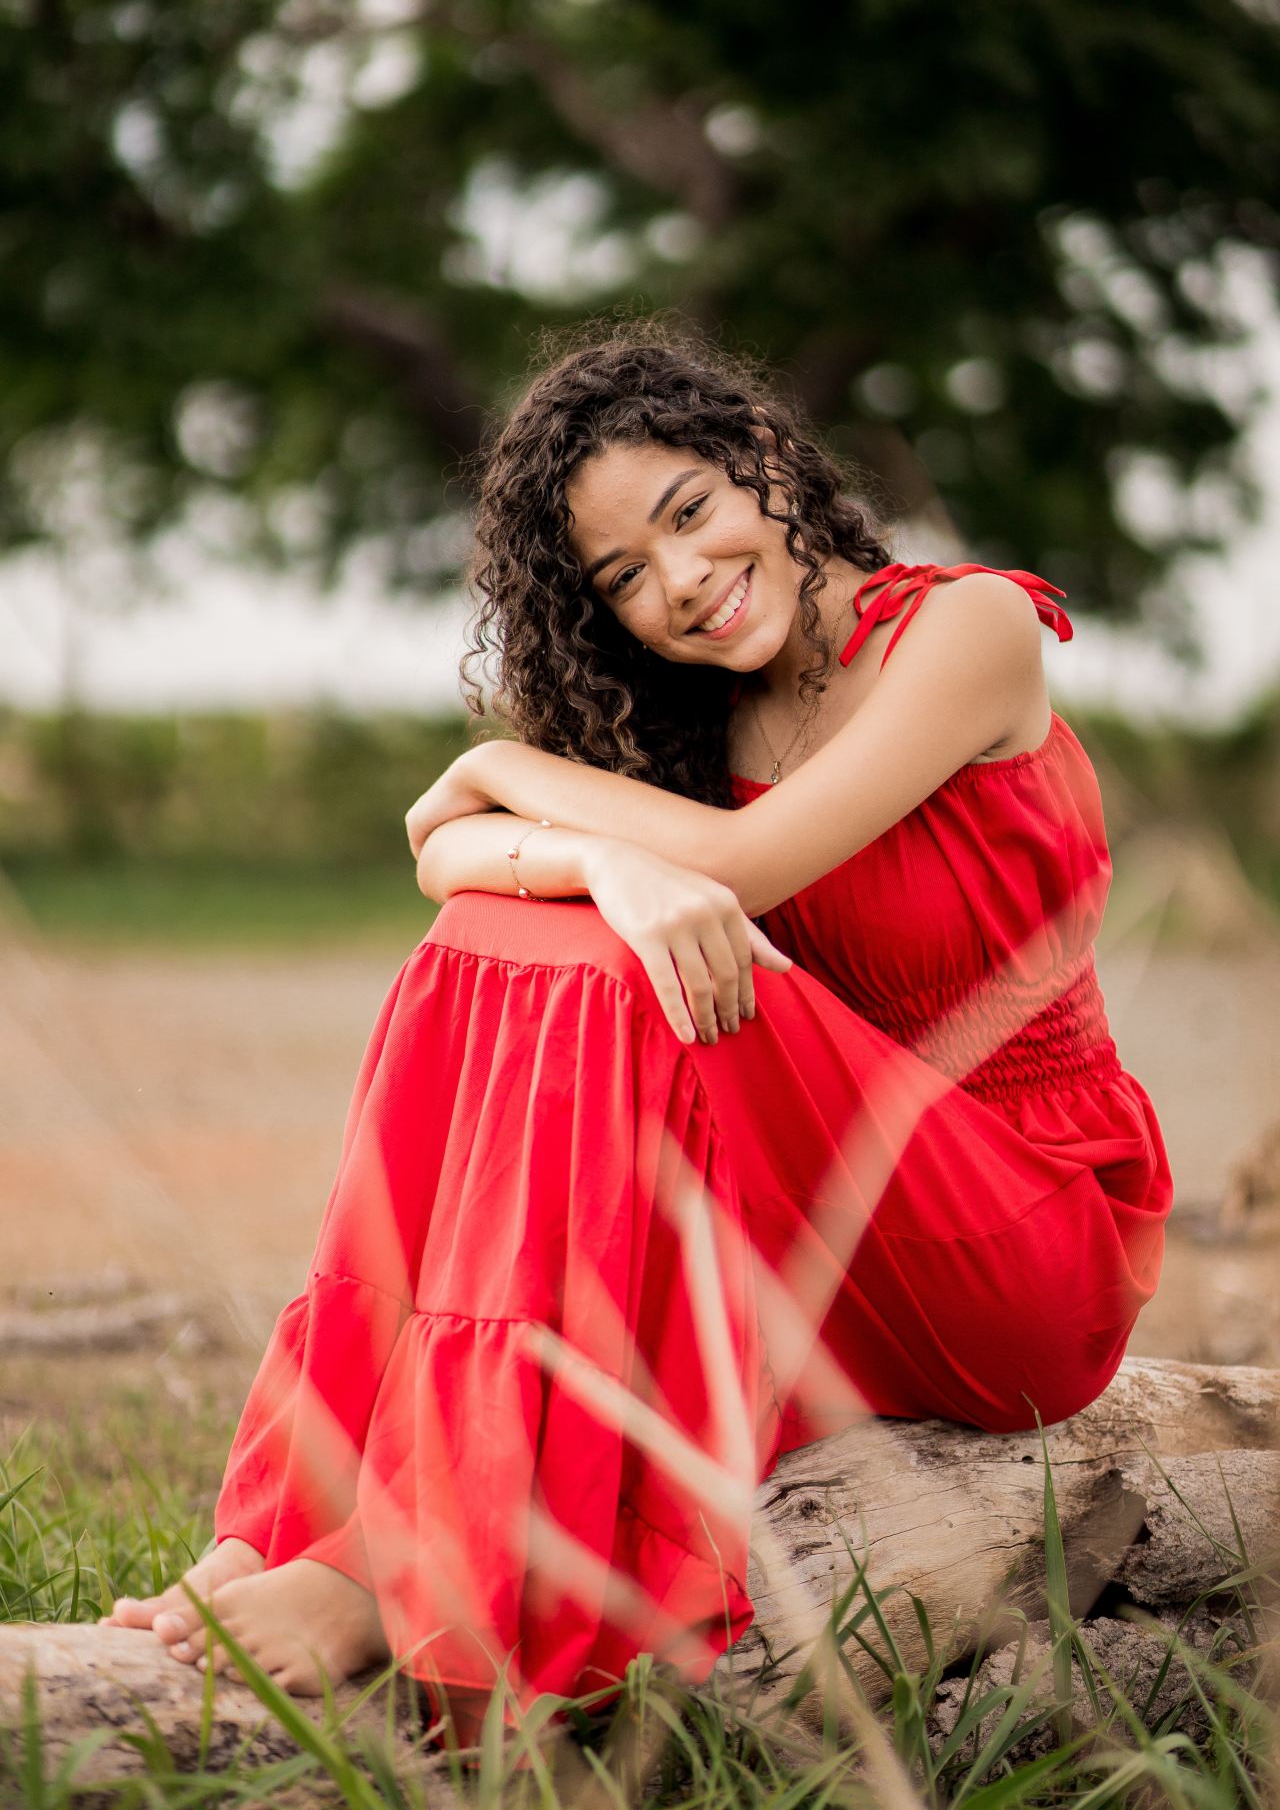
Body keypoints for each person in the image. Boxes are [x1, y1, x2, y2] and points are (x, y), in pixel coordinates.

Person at [103, 323, 1172, 1731]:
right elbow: (447, 866)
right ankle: (288, 1515)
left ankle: (386, 1565)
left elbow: (737, 867)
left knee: (608, 960)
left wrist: (499, 770)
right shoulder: (690, 733)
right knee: (512, 935)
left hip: (1023, 1237)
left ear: (769, 462)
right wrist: (601, 863)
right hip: (836, 1226)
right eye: (626, 576)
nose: (683, 583)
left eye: (692, 513)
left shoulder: (968, 628)